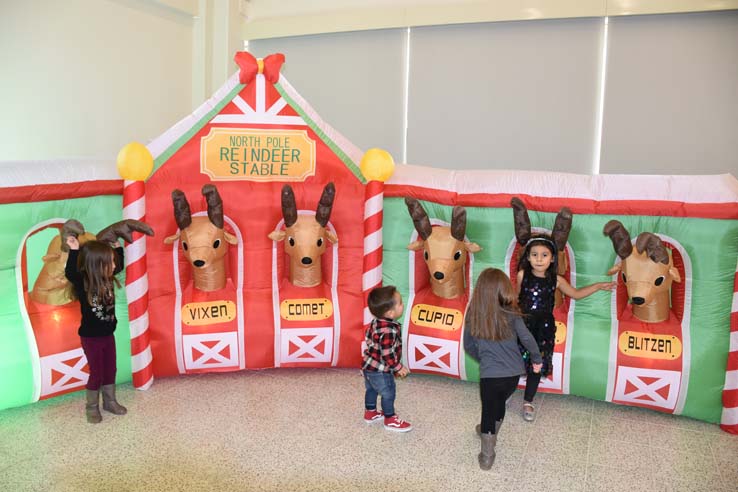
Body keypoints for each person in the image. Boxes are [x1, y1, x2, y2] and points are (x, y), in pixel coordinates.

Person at [516, 237, 615, 422]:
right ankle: (504, 393)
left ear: (552, 258)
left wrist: (598, 286)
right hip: (523, 326)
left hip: (544, 330)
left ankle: (528, 400)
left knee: (536, 366)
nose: (539, 259)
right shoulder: (522, 275)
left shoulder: (557, 280)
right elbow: (515, 298)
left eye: (544, 255)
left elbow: (576, 294)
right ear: (528, 257)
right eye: (534, 255)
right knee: (514, 361)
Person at [464, 268, 542, 470]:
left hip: (490, 375)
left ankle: (487, 454)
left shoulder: (473, 313)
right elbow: (526, 338)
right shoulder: (512, 313)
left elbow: (468, 345)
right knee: (498, 406)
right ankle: (486, 431)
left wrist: (484, 359)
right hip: (512, 375)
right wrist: (536, 358)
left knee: (489, 409)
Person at [65, 233, 128, 423]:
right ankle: (91, 407)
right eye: (110, 263)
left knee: (111, 369)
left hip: (108, 335)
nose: (115, 266)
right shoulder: (84, 282)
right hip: (91, 338)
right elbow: (70, 273)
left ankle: (110, 401)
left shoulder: (108, 278)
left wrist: (117, 247)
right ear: (97, 265)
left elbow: (121, 265)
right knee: (97, 373)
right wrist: (75, 250)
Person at [361, 285, 412, 432]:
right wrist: (398, 367)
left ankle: (370, 412)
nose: (403, 305)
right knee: (388, 392)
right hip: (381, 370)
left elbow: (371, 341)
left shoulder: (376, 322)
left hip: (368, 366)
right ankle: (390, 418)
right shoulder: (389, 329)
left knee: (371, 389)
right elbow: (387, 353)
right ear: (390, 312)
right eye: (400, 303)